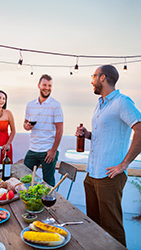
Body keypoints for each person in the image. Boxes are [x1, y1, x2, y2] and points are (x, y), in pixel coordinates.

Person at [75, 65, 141, 246]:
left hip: (110, 176)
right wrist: (87, 134)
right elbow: (104, 135)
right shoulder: (101, 103)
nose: (91, 80)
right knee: (93, 225)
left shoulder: (122, 102)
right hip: (92, 173)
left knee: (112, 229)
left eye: (93, 76)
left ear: (102, 77)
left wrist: (124, 164)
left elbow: (139, 129)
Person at [23, 74, 63, 187]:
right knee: (25, 177)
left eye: (50, 85)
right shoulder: (30, 105)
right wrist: (27, 126)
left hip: (48, 150)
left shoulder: (56, 105)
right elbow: (25, 124)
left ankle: (50, 205)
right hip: (33, 149)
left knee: (48, 182)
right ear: (39, 86)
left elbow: (59, 130)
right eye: (44, 85)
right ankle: (28, 203)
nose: (47, 88)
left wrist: (53, 151)